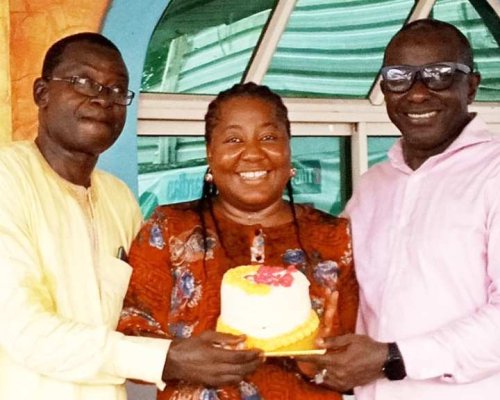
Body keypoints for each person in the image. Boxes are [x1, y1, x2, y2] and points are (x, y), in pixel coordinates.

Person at [298, 18, 500, 399]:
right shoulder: (373, 186)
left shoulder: (494, 173)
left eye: (439, 74)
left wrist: (394, 358)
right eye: (398, 76)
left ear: (471, 85)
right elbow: (337, 290)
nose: (417, 93)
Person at [118, 82, 359, 399]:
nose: (253, 153)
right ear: (210, 152)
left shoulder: (334, 237)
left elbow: (362, 364)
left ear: (289, 149)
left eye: (269, 137)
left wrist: (321, 362)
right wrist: (176, 359)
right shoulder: (169, 228)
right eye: (233, 139)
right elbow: (130, 341)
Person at [0, 32, 177, 400]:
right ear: (41, 93)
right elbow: (23, 331)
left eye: (117, 89)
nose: (102, 97)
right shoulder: (8, 179)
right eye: (83, 81)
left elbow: (143, 313)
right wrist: (166, 360)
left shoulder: (119, 198)